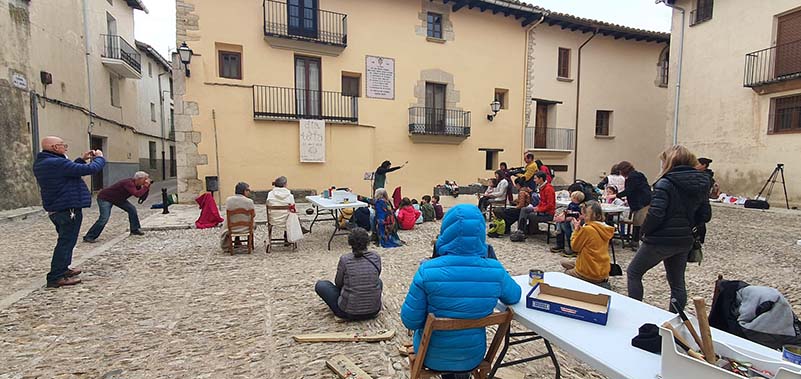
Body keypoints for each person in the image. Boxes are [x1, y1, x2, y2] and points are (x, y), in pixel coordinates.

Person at [401, 204, 521, 377]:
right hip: (472, 356)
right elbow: (514, 295)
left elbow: (410, 321)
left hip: (432, 355)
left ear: (446, 231)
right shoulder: (495, 270)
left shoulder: (427, 270)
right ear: (480, 232)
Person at [627, 145, 711, 312]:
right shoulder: (702, 182)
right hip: (684, 239)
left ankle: (633, 311)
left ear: (669, 161)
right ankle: (677, 317)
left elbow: (656, 213)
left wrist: (644, 231)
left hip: (660, 239)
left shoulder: (665, 182)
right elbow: (705, 214)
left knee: (634, 273)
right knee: (677, 282)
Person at [33, 136, 105, 288]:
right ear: (54, 148)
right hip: (67, 209)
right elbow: (89, 169)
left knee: (66, 240)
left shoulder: (43, 162)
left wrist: (80, 159)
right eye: (62, 145)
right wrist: (99, 158)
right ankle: (56, 277)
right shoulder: (56, 162)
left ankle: (63, 269)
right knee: (66, 242)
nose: (65, 148)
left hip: (57, 208)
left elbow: (69, 172)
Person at [315, 228, 382, 320]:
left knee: (321, 285)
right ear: (367, 242)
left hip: (347, 312)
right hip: (374, 310)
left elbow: (338, 283)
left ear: (350, 243)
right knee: (378, 281)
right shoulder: (375, 257)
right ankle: (368, 302)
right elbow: (376, 276)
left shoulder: (345, 259)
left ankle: (350, 308)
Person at [83, 172, 151, 242]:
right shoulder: (128, 183)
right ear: (139, 179)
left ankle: (135, 229)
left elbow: (142, 196)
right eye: (145, 179)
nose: (147, 180)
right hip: (105, 198)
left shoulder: (138, 185)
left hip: (118, 199)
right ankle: (89, 236)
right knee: (104, 218)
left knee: (132, 209)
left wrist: (147, 187)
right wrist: (146, 187)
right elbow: (137, 194)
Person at [561, 201, 614, 285]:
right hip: (601, 267)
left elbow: (575, 247)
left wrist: (576, 230)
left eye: (583, 215)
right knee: (564, 262)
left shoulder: (588, 229)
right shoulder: (603, 227)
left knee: (566, 273)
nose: (582, 217)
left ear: (588, 216)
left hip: (590, 271)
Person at [617, 161, 652, 250]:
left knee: (639, 223)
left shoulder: (633, 177)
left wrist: (616, 195)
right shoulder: (637, 175)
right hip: (643, 202)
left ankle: (637, 243)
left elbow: (629, 190)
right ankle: (635, 241)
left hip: (642, 203)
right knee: (637, 223)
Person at [220, 182, 255, 251]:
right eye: (248, 190)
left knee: (229, 220)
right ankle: (241, 241)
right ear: (244, 191)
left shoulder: (229, 200)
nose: (249, 192)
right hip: (246, 227)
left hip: (231, 228)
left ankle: (234, 241)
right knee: (250, 220)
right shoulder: (249, 201)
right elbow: (253, 215)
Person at [550, 191, 584, 255]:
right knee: (560, 223)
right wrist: (561, 216)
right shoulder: (571, 204)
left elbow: (577, 215)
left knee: (566, 227)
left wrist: (565, 217)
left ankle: (571, 247)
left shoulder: (579, 206)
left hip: (574, 220)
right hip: (567, 218)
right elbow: (566, 211)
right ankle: (560, 243)